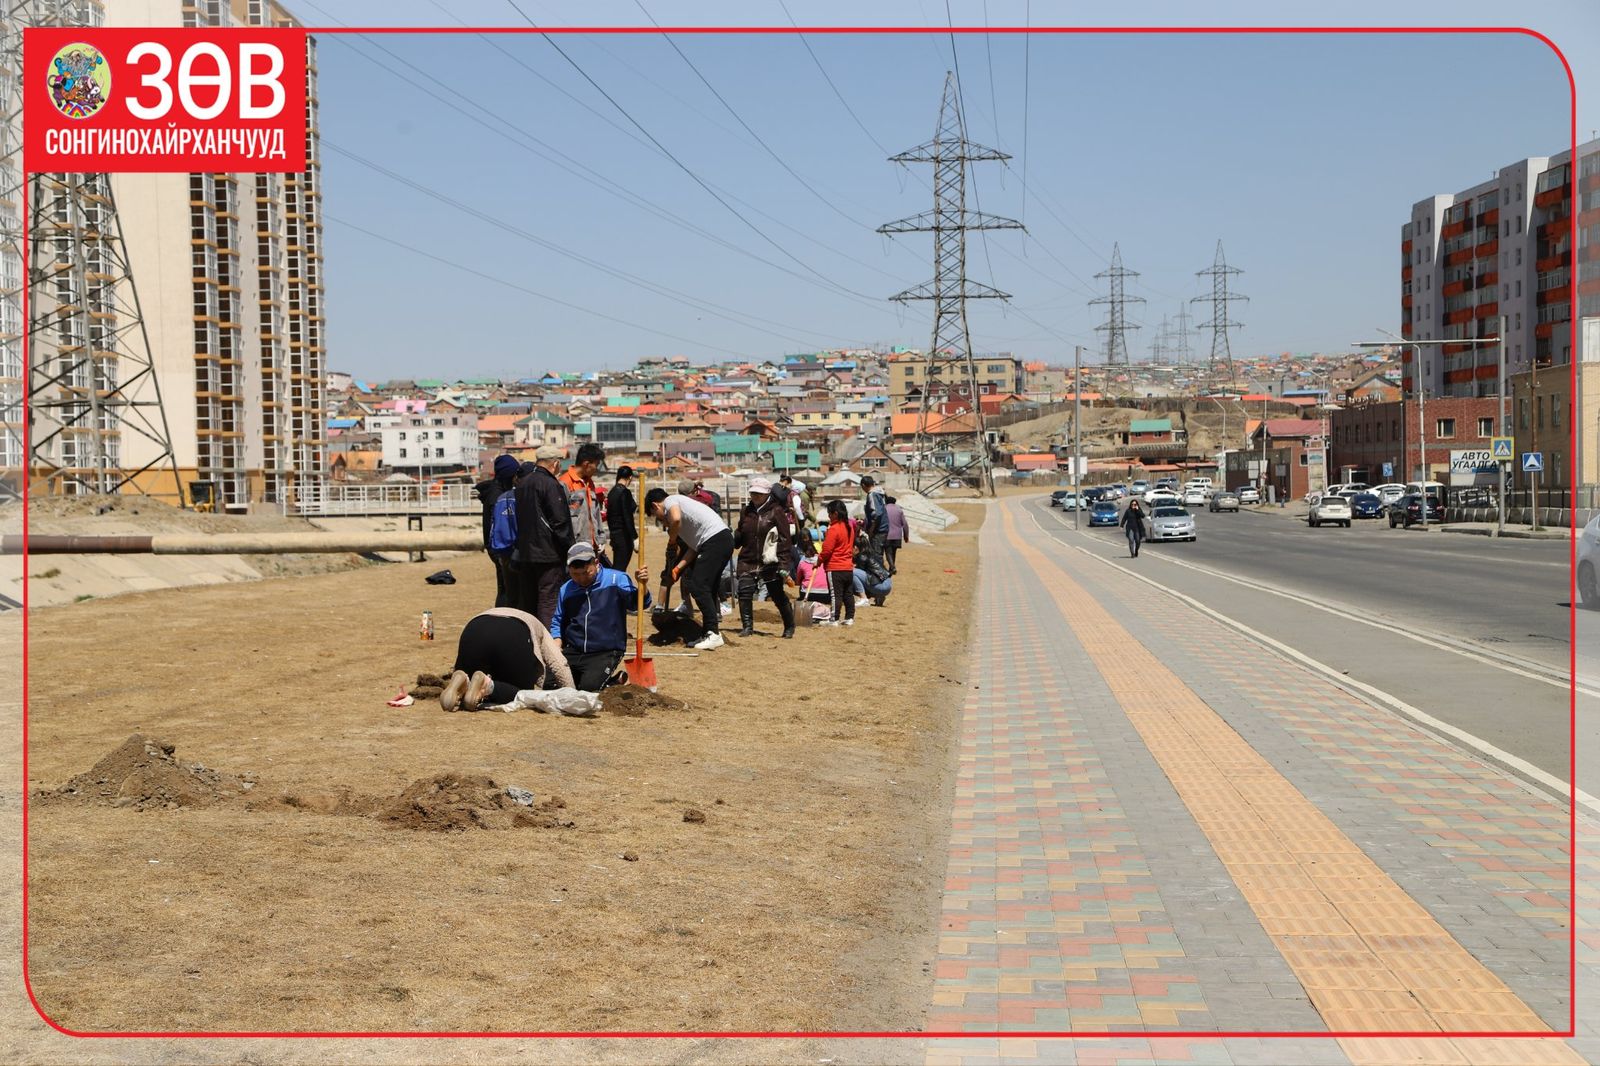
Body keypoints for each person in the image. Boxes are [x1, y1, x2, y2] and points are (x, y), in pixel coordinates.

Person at [550, 542, 652, 691]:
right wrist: (556, 647)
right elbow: (557, 621)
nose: (581, 579)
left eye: (586, 573)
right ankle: (612, 681)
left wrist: (643, 586)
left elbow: (638, 604)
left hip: (606, 650)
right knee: (550, 685)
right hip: (574, 650)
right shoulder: (566, 589)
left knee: (589, 688)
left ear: (596, 563)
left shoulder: (617, 579)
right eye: (575, 574)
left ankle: (606, 683)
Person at [645, 485, 734, 650]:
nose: (662, 522)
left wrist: (672, 541)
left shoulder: (671, 501)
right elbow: (693, 549)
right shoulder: (685, 527)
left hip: (716, 540)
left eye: (657, 517)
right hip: (719, 541)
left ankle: (713, 634)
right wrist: (677, 568)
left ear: (655, 506)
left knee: (698, 586)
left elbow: (676, 519)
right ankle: (709, 632)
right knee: (708, 588)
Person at [440, 606, 575, 712]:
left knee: (474, 672)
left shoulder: (495, 611)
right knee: (522, 691)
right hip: (513, 633)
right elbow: (559, 663)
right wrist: (572, 694)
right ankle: (487, 685)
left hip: (474, 627)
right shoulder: (539, 626)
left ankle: (464, 679)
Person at [512, 444, 573, 626]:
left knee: (529, 601)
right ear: (554, 464)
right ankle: (547, 644)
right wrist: (571, 548)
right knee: (548, 600)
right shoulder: (550, 484)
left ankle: (528, 641)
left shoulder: (522, 484)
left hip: (526, 552)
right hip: (548, 553)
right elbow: (559, 521)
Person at [732, 478, 797, 639]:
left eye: (759, 493)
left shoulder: (776, 511)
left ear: (767, 494)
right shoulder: (745, 511)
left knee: (777, 595)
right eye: (753, 492)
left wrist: (784, 563)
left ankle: (789, 626)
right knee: (744, 592)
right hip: (747, 559)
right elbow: (740, 536)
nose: (755, 496)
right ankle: (747, 627)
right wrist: (735, 536)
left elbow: (785, 539)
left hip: (771, 561)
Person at [475, 454, 519, 607]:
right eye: (514, 475)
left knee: (504, 588)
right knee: (506, 590)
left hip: (496, 547)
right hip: (500, 548)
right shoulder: (497, 496)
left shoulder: (496, 491)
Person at [560, 442, 610, 565]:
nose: (597, 469)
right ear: (586, 464)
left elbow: (596, 514)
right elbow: (561, 518)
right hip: (575, 548)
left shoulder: (589, 483)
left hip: (593, 547)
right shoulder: (564, 483)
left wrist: (600, 539)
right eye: (596, 465)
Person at [818, 499, 858, 627]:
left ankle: (834, 618)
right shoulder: (849, 527)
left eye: (829, 513)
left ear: (835, 513)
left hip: (835, 567)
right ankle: (849, 617)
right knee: (848, 594)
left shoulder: (834, 529)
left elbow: (827, 550)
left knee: (836, 595)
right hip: (847, 566)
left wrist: (818, 561)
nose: (829, 516)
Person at [606, 465, 638, 575]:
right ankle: (615, 590)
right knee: (619, 568)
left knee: (618, 566)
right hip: (623, 535)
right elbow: (627, 516)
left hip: (614, 534)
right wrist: (634, 537)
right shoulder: (624, 492)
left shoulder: (612, 492)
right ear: (629, 478)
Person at [860, 475, 889, 560]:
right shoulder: (879, 493)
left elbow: (876, 514)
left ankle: (879, 573)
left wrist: (871, 530)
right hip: (883, 528)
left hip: (878, 530)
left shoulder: (872, 494)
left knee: (876, 555)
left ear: (863, 485)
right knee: (878, 554)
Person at [883, 495, 907, 575]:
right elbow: (905, 524)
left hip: (887, 534)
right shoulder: (899, 510)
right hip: (897, 535)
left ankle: (892, 567)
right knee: (893, 551)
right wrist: (906, 536)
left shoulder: (884, 509)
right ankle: (891, 567)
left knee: (888, 551)